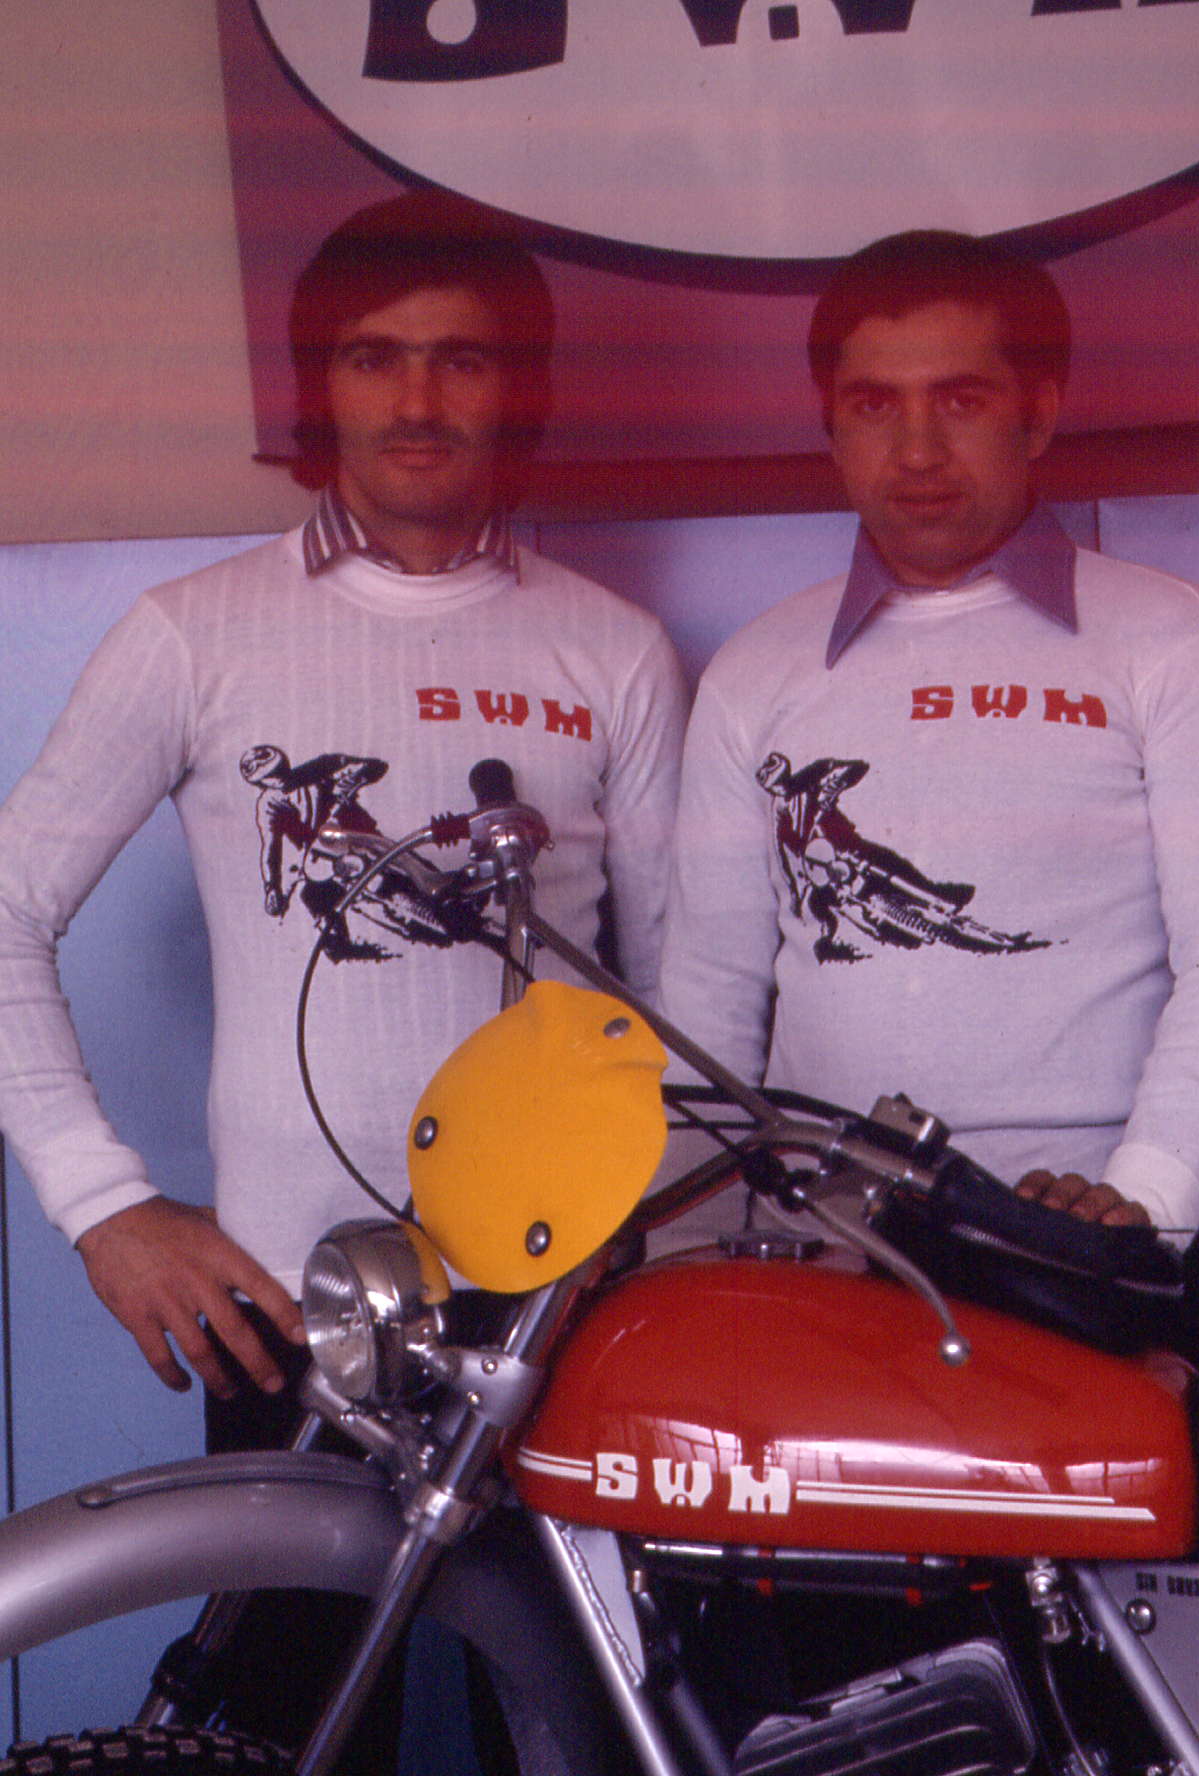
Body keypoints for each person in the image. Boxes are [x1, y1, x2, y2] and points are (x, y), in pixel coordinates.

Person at [0, 190, 686, 1430]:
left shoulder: (616, 649)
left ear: (517, 389)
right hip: (288, 1298)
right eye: (374, 359)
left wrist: (662, 1231)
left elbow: (682, 991)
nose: (416, 404)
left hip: (561, 1296)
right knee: (272, 1579)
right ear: (320, 388)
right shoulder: (193, 633)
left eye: (459, 360)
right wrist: (102, 1207)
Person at [662, 229, 1199, 1244]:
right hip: (818, 1248)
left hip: (1081, 1242)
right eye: (875, 406)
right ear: (829, 425)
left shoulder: (1170, 639)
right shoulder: (753, 670)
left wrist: (1142, 1202)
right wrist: (691, 1251)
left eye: (959, 401)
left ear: (1036, 414)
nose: (916, 451)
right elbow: (707, 1005)